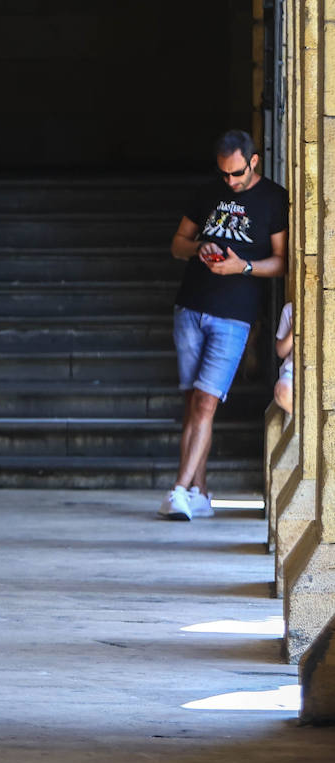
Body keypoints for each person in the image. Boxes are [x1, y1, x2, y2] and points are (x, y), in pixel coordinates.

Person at [161, 130, 288, 520]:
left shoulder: (274, 199)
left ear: (254, 163)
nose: (230, 182)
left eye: (236, 174)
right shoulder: (208, 192)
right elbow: (177, 244)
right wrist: (199, 246)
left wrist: (244, 267)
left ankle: (179, 490)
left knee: (206, 401)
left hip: (234, 315)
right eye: (224, 175)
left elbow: (282, 261)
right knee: (194, 403)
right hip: (191, 307)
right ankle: (199, 492)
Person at [274, 300, 293, 414]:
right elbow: (281, 352)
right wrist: (293, 331)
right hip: (293, 371)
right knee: (282, 391)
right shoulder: (290, 309)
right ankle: (298, 423)